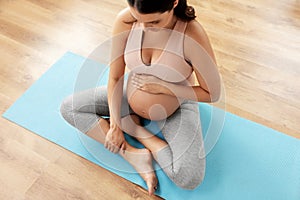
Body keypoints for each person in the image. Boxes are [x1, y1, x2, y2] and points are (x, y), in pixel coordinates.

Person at [60, 0, 221, 196]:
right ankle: (133, 156)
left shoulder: (191, 34)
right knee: (69, 107)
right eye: (138, 19)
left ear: (174, 3)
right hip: (130, 93)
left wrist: (166, 88)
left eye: (154, 22)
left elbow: (212, 93)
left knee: (188, 177)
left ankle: (137, 131)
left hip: (176, 106)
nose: (145, 28)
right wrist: (115, 126)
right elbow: (116, 77)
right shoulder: (125, 21)